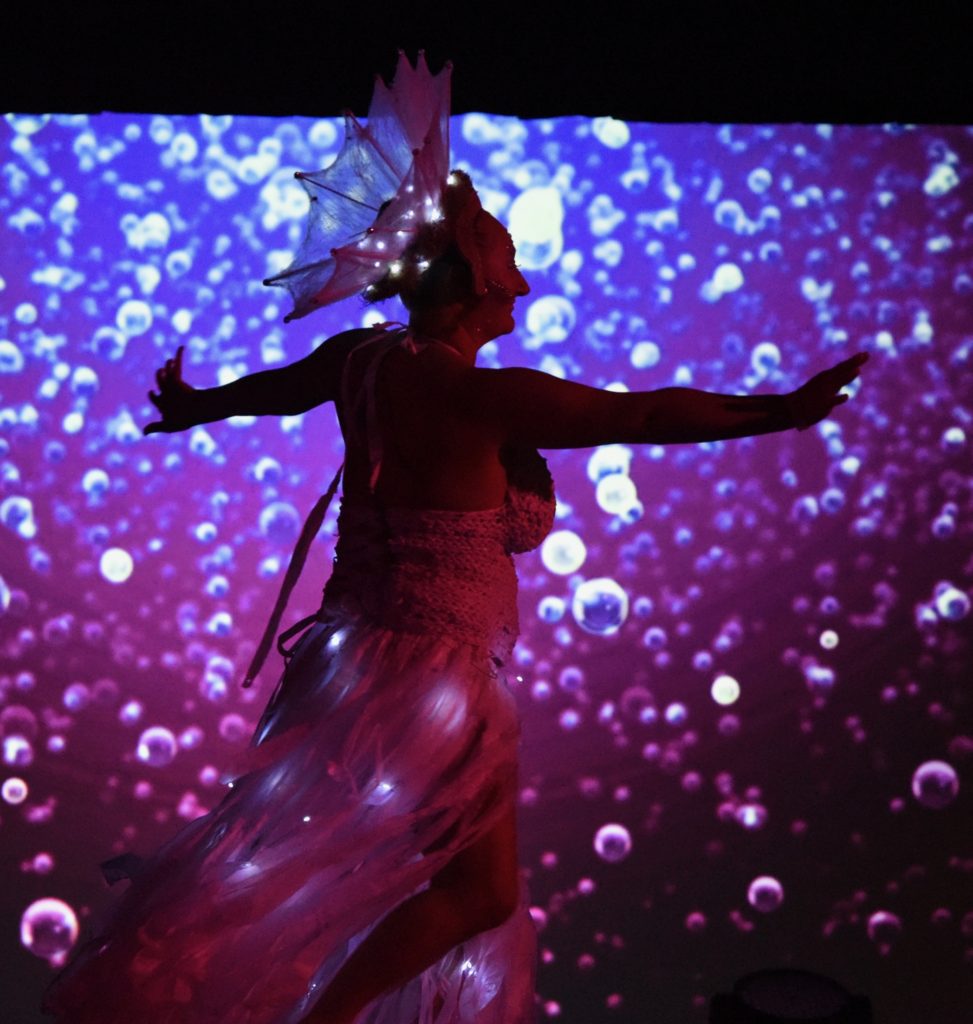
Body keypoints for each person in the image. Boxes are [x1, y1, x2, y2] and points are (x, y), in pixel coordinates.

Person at [40, 61, 868, 1024]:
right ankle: (321, 1019)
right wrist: (782, 408)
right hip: (435, 676)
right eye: (504, 247)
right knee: (472, 893)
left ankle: (317, 1011)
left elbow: (273, 389)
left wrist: (196, 406)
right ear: (476, 282)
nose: (519, 260)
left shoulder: (364, 360)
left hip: (354, 659)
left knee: (384, 873)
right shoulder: (483, 396)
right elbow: (648, 413)